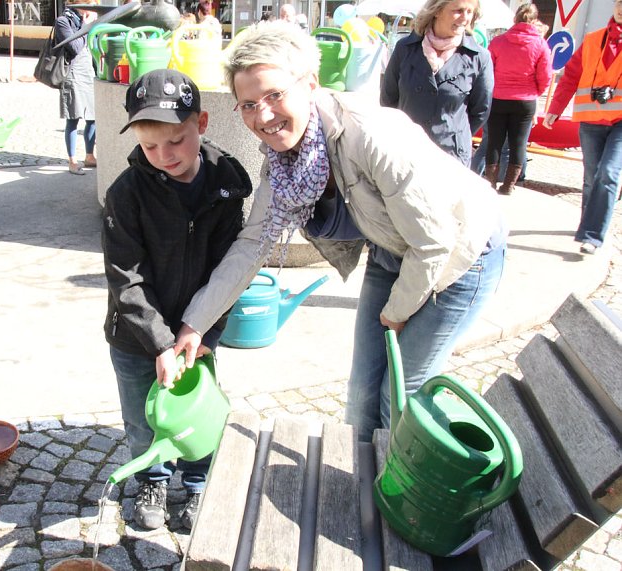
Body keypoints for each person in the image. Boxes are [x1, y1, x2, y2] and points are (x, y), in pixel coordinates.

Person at [174, 22, 506, 443]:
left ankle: (401, 500)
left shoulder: (371, 134)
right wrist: (195, 324)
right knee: (363, 392)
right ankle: (358, 484)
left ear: (310, 83)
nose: (264, 116)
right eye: (248, 104)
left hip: (463, 251)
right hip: (394, 249)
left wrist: (397, 312)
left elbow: (434, 242)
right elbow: (251, 246)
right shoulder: (283, 162)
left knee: (400, 397)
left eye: (275, 95)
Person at [102, 69, 252, 529]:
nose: (164, 156)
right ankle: (152, 476)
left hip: (198, 337)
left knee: (196, 412)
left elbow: (231, 270)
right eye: (150, 147)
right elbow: (126, 280)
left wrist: (207, 332)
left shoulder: (226, 185)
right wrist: (159, 344)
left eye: (176, 141)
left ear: (201, 123)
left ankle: (196, 482)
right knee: (142, 419)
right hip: (135, 338)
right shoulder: (125, 195)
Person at [543, 0, 622, 255]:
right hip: (590, 120)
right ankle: (588, 223)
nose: (621, 8)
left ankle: (593, 235)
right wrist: (554, 109)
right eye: (619, 3)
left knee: (608, 173)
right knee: (591, 177)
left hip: (620, 122)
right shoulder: (592, 40)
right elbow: (571, 77)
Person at [381, 0, 493, 166]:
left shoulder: (478, 57)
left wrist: (454, 132)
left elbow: (481, 110)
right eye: (458, 10)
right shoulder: (405, 48)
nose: (465, 18)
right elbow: (388, 100)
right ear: (437, 11)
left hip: (451, 156)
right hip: (407, 152)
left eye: (470, 12)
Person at [484, 3, 552, 194]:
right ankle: (509, 186)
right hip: (525, 100)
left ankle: (490, 182)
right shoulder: (540, 44)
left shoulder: (498, 42)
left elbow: (488, 71)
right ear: (534, 21)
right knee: (519, 143)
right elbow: (545, 76)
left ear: (515, 19)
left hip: (498, 97)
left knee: (494, 141)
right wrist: (534, 92)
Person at [54, 0, 98, 175]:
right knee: (73, 118)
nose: (91, 9)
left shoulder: (83, 20)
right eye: (89, 4)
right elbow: (75, 47)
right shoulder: (63, 21)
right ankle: (72, 161)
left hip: (88, 73)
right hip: (72, 74)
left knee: (92, 117)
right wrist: (86, 26)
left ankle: (89, 156)